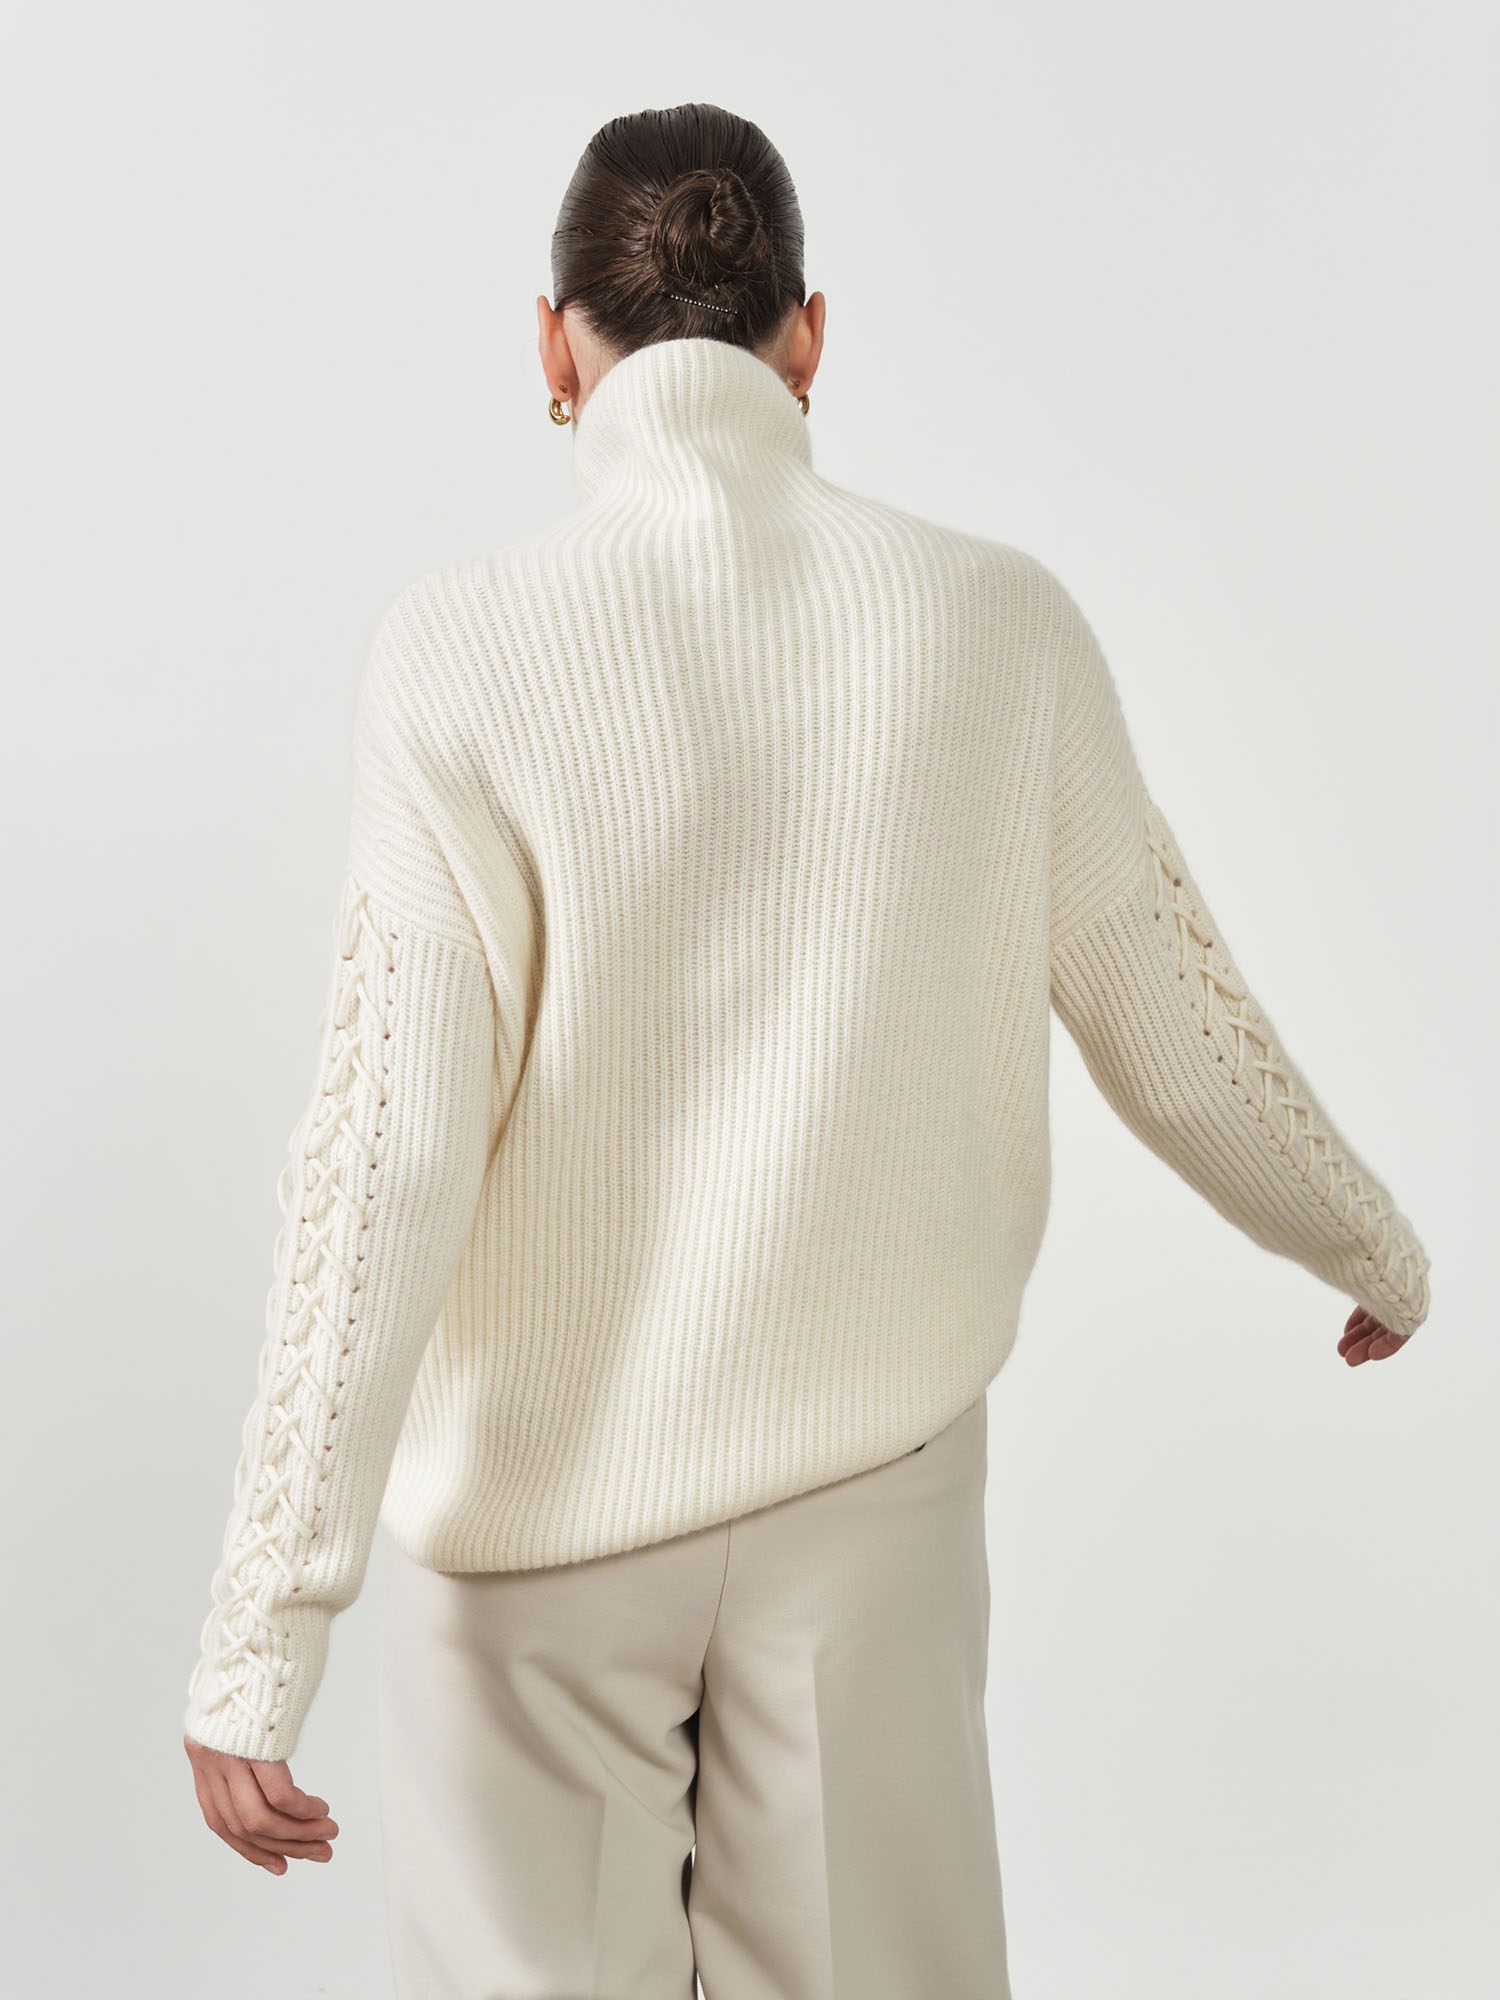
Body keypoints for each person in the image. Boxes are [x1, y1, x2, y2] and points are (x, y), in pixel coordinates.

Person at [182, 101, 1430, 2000]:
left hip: (532, 1536)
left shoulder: (461, 653)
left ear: (556, 346)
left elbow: (385, 1159)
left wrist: (261, 1630)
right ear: (808, 337)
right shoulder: (996, 628)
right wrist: (1365, 1242)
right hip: (873, 1512)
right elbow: (1176, 1023)